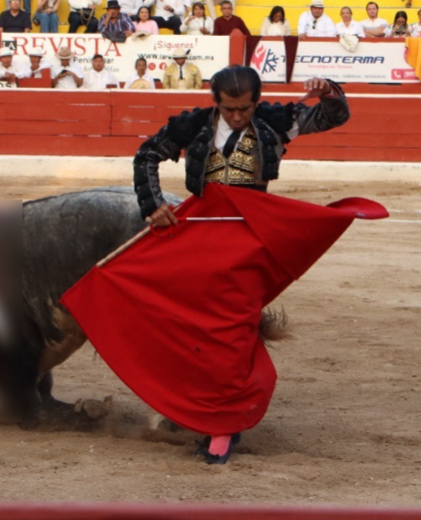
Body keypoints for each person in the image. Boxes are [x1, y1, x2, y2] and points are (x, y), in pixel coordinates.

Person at [132, 66, 349, 465]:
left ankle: (223, 426)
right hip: (199, 239)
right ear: (216, 102)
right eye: (229, 109)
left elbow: (335, 116)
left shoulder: (274, 122)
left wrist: (329, 92)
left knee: (232, 332)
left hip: (249, 240)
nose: (237, 116)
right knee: (189, 325)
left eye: (244, 108)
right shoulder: (195, 124)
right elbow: (147, 154)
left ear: (256, 101)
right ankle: (188, 406)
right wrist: (153, 205)